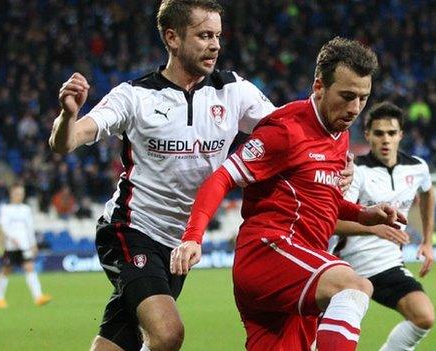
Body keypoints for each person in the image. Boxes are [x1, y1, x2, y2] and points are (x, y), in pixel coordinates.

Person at [49, 1, 351, 350]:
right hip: (131, 230)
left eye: (218, 36)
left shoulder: (234, 91)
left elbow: (293, 133)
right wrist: (68, 116)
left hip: (179, 244)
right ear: (172, 37)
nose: (215, 45)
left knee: (120, 338)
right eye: (204, 35)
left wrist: (335, 160)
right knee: (167, 333)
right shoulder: (135, 97)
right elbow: (67, 141)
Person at [171, 37, 405, 351]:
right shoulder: (286, 130)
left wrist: (363, 213)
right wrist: (193, 235)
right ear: (319, 86)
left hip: (301, 266)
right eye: (347, 96)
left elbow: (320, 198)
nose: (355, 109)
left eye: (363, 98)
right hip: (270, 251)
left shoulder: (338, 132)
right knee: (354, 286)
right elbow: (222, 177)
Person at [330, 102, 436, 351]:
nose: (385, 139)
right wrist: (373, 228)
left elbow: (429, 194)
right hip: (345, 267)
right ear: (367, 135)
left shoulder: (417, 168)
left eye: (391, 133)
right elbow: (333, 221)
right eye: (378, 133)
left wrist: (428, 241)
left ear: (401, 135)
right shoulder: (356, 172)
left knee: (424, 317)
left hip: (386, 265)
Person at [0, 183, 52, 308]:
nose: (19, 196)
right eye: (17, 194)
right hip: (11, 246)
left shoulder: (26, 209)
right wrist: (11, 238)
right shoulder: (5, 209)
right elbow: (3, 226)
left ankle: (38, 297)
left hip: (25, 245)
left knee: (30, 267)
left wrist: (33, 243)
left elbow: (30, 228)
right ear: (11, 194)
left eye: (21, 194)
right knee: (6, 270)